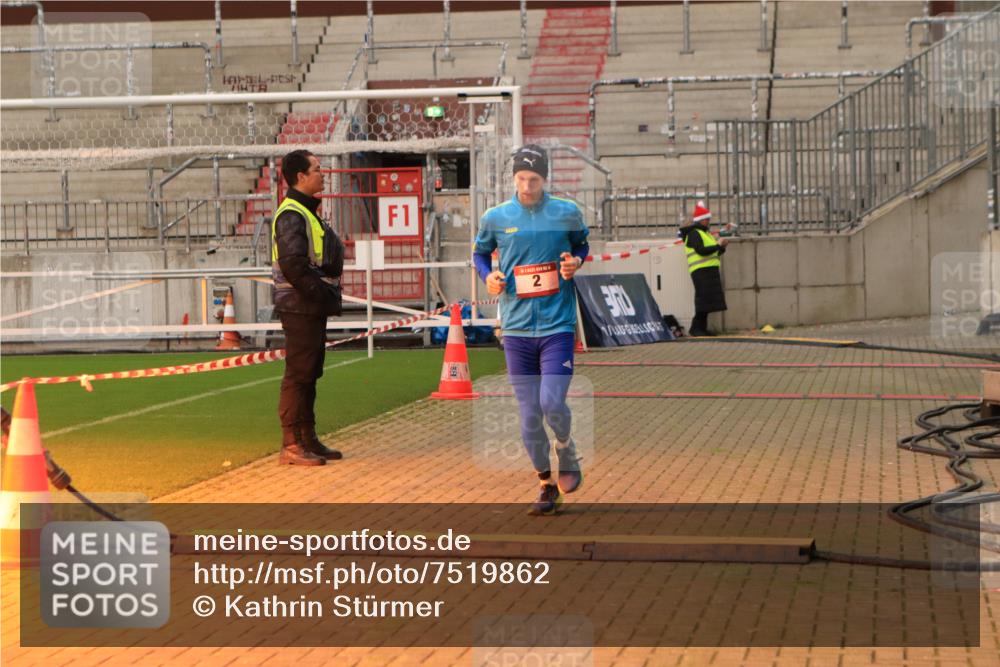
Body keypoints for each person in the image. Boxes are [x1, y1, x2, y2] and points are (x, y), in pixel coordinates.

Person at [473, 145, 590, 515]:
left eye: (534, 180)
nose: (526, 187)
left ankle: (567, 448)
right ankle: (545, 483)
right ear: (512, 179)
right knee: (528, 414)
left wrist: (575, 262)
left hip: (557, 324)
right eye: (521, 179)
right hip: (517, 329)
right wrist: (487, 276)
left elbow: (581, 245)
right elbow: (479, 254)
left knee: (551, 402)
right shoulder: (496, 217)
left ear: (545, 179)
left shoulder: (566, 212)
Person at [272, 150, 345, 466]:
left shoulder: (303, 211)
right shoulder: (292, 215)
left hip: (307, 304)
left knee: (309, 372)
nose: (323, 173)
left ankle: (307, 439)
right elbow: (294, 265)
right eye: (317, 169)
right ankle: (292, 444)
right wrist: (320, 293)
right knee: (299, 374)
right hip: (300, 305)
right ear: (300, 176)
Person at [678, 200, 728, 337]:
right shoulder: (694, 233)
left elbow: (712, 252)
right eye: (706, 219)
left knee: (706, 301)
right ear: (700, 220)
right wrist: (718, 246)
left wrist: (721, 248)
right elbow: (701, 250)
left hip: (708, 270)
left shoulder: (706, 233)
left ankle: (700, 328)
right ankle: (696, 328)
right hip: (700, 271)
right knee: (703, 300)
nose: (708, 221)